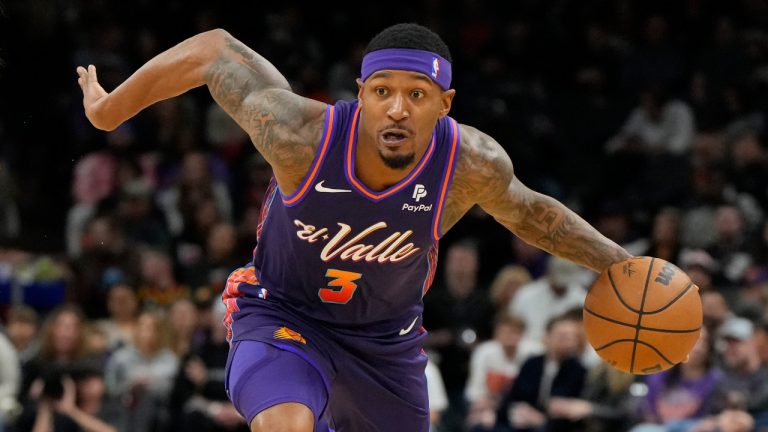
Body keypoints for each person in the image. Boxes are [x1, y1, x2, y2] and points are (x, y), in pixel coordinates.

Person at [76, 23, 631, 432]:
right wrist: (109, 111)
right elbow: (214, 50)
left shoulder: (470, 164)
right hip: (283, 313)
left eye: (416, 95)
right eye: (382, 91)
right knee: (286, 424)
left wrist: (622, 266)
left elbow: (534, 215)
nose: (396, 109)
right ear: (360, 92)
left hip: (385, 342)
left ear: (445, 104)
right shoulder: (301, 136)